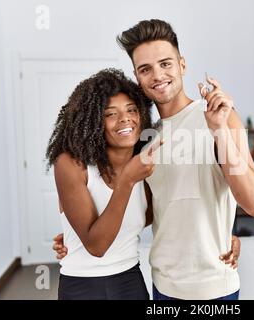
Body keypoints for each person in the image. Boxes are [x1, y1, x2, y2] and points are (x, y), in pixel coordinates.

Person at [55, 19, 254, 300]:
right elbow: (150, 211)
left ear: (182, 65)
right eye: (146, 69)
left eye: (166, 64)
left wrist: (219, 131)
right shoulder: (143, 137)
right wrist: (74, 234)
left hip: (214, 288)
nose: (157, 75)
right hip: (161, 286)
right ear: (137, 77)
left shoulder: (219, 116)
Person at [46, 68, 157, 299]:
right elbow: (97, 247)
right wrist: (126, 180)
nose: (125, 118)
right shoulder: (71, 163)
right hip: (83, 286)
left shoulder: (145, 162)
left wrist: (222, 236)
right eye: (110, 114)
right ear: (93, 122)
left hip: (130, 279)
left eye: (131, 110)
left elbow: (152, 214)